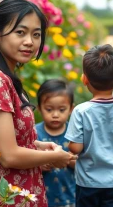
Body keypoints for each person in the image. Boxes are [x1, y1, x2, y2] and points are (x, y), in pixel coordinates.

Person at [0, 0, 77, 207]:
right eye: (20, 32)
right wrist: (55, 158)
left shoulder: (2, 75)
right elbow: (9, 156)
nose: (29, 42)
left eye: (36, 34)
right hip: (7, 193)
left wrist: (39, 146)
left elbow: (7, 140)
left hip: (17, 189)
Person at [65, 44, 113, 207]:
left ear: (84, 79)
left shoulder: (81, 111)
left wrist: (68, 144)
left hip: (87, 182)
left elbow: (75, 148)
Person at [36, 79, 76, 207]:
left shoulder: (75, 134)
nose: (55, 114)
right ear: (39, 109)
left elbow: (85, 164)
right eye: (49, 109)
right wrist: (38, 165)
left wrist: (70, 160)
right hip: (41, 198)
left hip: (70, 196)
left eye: (62, 110)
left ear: (71, 109)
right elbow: (26, 160)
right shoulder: (34, 133)